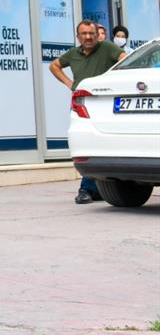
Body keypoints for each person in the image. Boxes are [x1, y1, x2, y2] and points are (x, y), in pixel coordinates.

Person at [50, 19, 126, 204]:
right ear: (78, 36)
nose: (88, 37)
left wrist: (112, 81)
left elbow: (124, 59)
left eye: (91, 33)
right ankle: (94, 188)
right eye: (84, 34)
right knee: (86, 144)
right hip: (82, 104)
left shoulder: (107, 47)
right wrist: (71, 84)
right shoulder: (74, 54)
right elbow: (54, 66)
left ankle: (87, 189)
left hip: (103, 105)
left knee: (99, 144)